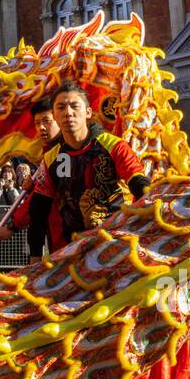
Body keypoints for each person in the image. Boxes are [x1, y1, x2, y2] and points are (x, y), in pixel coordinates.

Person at [27, 81, 149, 263]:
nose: (68, 112)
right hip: (73, 252)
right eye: (61, 107)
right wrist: (35, 258)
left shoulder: (114, 146)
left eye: (74, 106)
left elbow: (139, 184)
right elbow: (38, 210)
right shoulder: (51, 158)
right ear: (55, 115)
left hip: (117, 247)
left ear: (88, 112)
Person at [0, 98, 63, 259]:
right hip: (50, 232)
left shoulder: (63, 153)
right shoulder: (48, 153)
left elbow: (39, 199)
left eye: (47, 121)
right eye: (37, 122)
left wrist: (13, 226)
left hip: (66, 233)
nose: (41, 127)